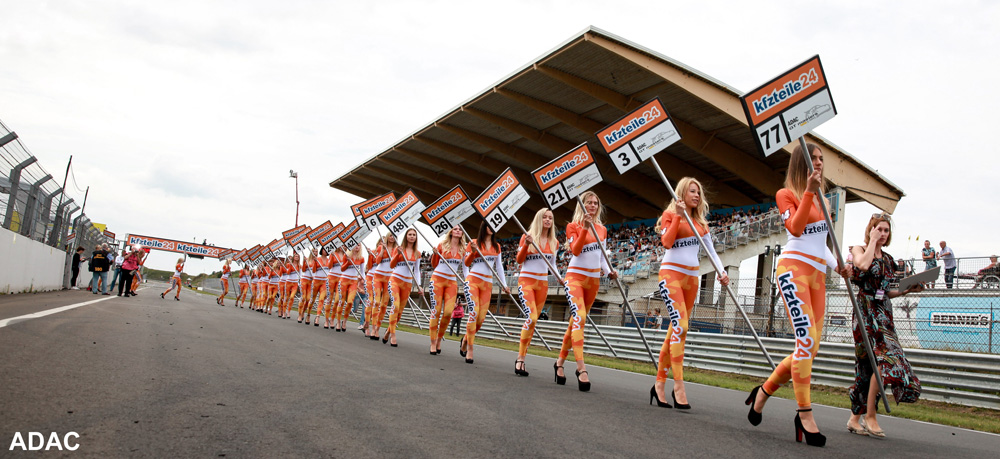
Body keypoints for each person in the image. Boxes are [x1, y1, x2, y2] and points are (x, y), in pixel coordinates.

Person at [745, 143, 850, 447]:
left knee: (811, 346)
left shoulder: (824, 201)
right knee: (805, 342)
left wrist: (839, 266)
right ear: (801, 164)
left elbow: (821, 245)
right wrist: (807, 191)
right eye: (813, 159)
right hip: (793, 272)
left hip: (817, 275)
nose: (819, 163)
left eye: (821, 159)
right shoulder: (786, 194)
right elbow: (796, 228)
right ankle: (804, 414)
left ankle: (763, 392)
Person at [650, 177, 728, 410]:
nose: (697, 195)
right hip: (670, 275)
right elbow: (666, 242)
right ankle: (679, 385)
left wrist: (722, 272)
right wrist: (679, 216)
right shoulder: (669, 215)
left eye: (699, 192)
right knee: (681, 327)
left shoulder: (701, 223)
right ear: (682, 194)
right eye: (692, 191)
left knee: (675, 330)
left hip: (691, 279)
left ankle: (659, 385)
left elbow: (711, 251)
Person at [846, 213, 922, 438]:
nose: (883, 234)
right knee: (870, 364)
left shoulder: (889, 259)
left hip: (884, 313)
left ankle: (857, 418)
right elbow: (862, 265)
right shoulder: (858, 249)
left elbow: (888, 291)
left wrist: (908, 289)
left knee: (884, 362)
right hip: (864, 312)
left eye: (886, 231)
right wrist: (870, 242)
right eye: (879, 229)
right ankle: (867, 416)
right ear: (871, 230)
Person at [554, 191, 617, 392]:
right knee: (580, 317)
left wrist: (609, 271)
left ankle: (559, 363)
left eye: (595, 203)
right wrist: (585, 229)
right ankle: (581, 367)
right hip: (574, 278)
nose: (592, 205)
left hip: (593, 281)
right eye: (588, 202)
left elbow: (601, 258)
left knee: (575, 322)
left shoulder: (603, 229)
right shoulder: (573, 226)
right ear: (581, 205)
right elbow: (576, 250)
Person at [515, 208, 559, 376]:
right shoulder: (527, 237)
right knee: (531, 317)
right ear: (538, 219)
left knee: (534, 323)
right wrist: (526, 244)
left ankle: (522, 359)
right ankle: (519, 358)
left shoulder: (554, 241)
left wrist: (559, 278)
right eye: (545, 217)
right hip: (526, 281)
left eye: (550, 218)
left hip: (543, 284)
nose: (548, 220)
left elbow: (552, 265)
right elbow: (519, 260)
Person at [461, 221, 509, 364]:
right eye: (489, 225)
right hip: (473, 280)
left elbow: (499, 267)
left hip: (487, 283)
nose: (492, 228)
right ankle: (470, 349)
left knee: (480, 320)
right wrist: (474, 251)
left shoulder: (497, 246)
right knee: (474, 313)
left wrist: (504, 285)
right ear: (483, 227)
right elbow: (467, 263)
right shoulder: (474, 242)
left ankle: (465, 339)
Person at [428, 226, 465, 355]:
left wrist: (467, 282)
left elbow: (465, 268)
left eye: (460, 229)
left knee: (448, 312)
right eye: (455, 229)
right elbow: (434, 264)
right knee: (436, 311)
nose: (457, 231)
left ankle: (439, 339)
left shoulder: (463, 249)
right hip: (437, 279)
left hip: (452, 282)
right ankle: (433, 342)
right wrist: (434, 254)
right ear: (451, 232)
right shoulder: (441, 245)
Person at [385, 228, 423, 347]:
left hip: (407, 283)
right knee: (395, 306)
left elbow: (416, 271)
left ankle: (388, 331)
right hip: (395, 280)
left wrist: (419, 285)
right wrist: (398, 255)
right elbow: (392, 265)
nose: (412, 236)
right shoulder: (398, 249)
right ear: (406, 236)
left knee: (400, 312)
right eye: (409, 234)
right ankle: (393, 335)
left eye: (414, 235)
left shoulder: (418, 253)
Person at [367, 235, 396, 339]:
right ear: (387, 237)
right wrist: (382, 250)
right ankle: (373, 328)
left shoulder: (397, 249)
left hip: (389, 278)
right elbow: (377, 261)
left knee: (384, 305)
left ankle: (378, 328)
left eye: (394, 236)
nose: (392, 238)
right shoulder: (380, 247)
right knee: (377, 302)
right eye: (390, 236)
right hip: (378, 276)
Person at [337, 245, 366, 332]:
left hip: (353, 281)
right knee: (341, 301)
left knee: (350, 302)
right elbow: (342, 269)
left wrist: (363, 280)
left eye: (359, 245)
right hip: (344, 280)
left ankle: (344, 321)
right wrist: (347, 262)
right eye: (356, 245)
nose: (357, 247)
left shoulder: (361, 258)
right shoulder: (347, 255)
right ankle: (338, 322)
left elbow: (362, 272)